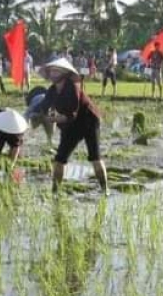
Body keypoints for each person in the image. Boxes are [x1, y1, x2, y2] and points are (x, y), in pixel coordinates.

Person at [32, 58, 108, 195]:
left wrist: (53, 119)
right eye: (51, 71)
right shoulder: (52, 91)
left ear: (64, 73)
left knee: (95, 157)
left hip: (88, 121)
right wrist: (31, 115)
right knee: (59, 160)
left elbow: (72, 114)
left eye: (56, 71)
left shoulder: (72, 87)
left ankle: (105, 190)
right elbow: (43, 106)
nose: (53, 74)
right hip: (70, 126)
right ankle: (55, 192)